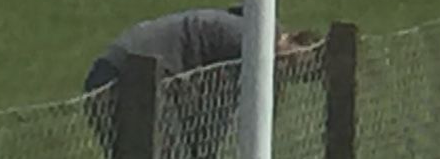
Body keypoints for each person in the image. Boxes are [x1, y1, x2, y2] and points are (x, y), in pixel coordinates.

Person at [83, 10, 316, 159]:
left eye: (295, 72)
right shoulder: (250, 43)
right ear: (292, 38)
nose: (285, 68)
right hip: (128, 74)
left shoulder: (246, 34)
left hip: (122, 71)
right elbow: (213, 120)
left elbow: (206, 116)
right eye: (291, 60)